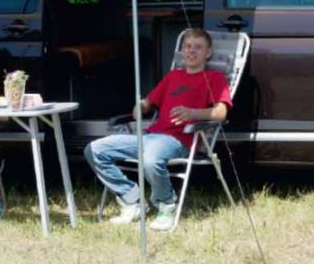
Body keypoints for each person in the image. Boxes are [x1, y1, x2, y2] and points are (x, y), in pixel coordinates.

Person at [84, 28, 233, 231]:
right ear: (182, 51)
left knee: (151, 159)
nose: (191, 51)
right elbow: (148, 102)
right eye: (188, 47)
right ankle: (132, 199)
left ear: (208, 52)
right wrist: (141, 106)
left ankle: (166, 205)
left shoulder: (214, 78)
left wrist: (194, 113)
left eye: (198, 47)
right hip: (150, 135)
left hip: (179, 140)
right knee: (95, 149)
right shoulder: (173, 76)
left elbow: (221, 113)